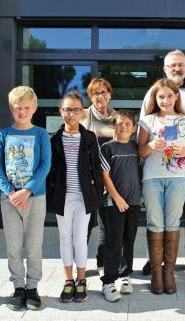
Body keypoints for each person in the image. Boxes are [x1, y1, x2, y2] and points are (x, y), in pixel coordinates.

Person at [140, 49, 185, 274]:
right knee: (157, 217)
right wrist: (150, 147)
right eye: (172, 65)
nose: (177, 68)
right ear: (165, 68)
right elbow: (144, 128)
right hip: (158, 167)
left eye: (181, 65)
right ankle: (154, 261)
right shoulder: (153, 94)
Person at [0, 86, 51, 311]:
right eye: (18, 108)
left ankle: (32, 287)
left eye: (27, 107)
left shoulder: (41, 134)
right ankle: (18, 287)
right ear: (11, 109)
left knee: (34, 245)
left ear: (34, 108)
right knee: (14, 245)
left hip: (35, 198)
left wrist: (27, 191)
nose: (23, 111)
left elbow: (46, 165)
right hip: (9, 199)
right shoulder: (2, 136)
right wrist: (11, 192)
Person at [138, 78, 185, 294]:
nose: (165, 100)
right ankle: (156, 272)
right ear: (155, 98)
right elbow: (140, 152)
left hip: (177, 178)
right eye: (160, 96)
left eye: (169, 96)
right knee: (155, 222)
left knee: (172, 223)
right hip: (152, 178)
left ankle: (168, 272)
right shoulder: (148, 121)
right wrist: (151, 145)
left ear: (176, 96)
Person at [46, 91, 103, 303]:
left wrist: (97, 192)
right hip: (63, 196)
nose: (71, 114)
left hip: (84, 196)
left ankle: (81, 280)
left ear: (82, 112)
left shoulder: (89, 137)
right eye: (67, 109)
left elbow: (96, 166)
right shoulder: (53, 138)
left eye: (76, 110)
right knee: (64, 238)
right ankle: (68, 280)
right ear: (61, 111)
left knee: (80, 238)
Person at [99, 110, 141, 302]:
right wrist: (117, 198)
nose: (123, 127)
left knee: (129, 240)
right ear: (112, 126)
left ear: (134, 129)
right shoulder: (107, 148)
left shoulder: (135, 147)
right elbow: (104, 176)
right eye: (119, 123)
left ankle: (125, 275)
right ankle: (108, 281)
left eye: (128, 124)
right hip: (113, 203)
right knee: (114, 242)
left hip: (133, 202)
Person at [81, 77, 116, 274]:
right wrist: (109, 132)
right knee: (85, 224)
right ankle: (80, 265)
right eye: (95, 93)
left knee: (106, 224)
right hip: (88, 178)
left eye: (104, 92)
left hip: (112, 178)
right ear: (90, 97)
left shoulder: (118, 117)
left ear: (110, 95)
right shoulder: (84, 116)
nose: (100, 96)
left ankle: (102, 263)